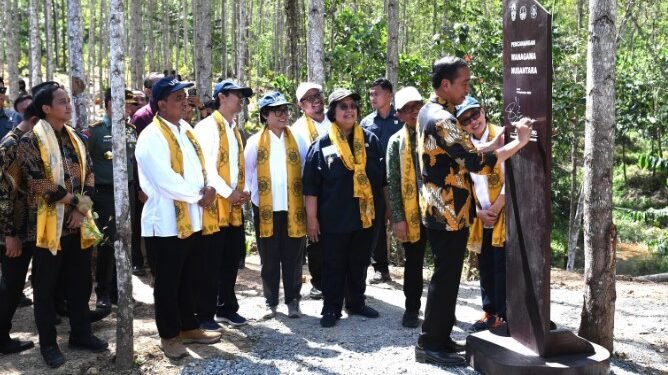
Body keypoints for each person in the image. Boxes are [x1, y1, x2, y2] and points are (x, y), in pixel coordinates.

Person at [414, 56, 533, 367]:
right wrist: (517, 144)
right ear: (445, 85)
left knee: (448, 277)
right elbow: (477, 165)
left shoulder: (434, 112)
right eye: (463, 83)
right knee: (445, 277)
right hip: (448, 212)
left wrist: (492, 143)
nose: (467, 88)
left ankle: (437, 337)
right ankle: (429, 344)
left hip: (445, 209)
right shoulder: (442, 119)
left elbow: (460, 152)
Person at [18, 82, 107, 368]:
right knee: (45, 288)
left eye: (68, 100)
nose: (68, 105)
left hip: (77, 224)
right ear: (45, 108)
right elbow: (36, 181)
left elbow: (89, 175)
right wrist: (73, 200)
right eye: (61, 101)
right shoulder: (30, 140)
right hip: (46, 228)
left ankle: (81, 333)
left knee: (81, 284)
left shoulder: (77, 138)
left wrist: (82, 209)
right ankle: (48, 345)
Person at [135, 76, 222, 359]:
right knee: (168, 283)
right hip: (165, 224)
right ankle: (169, 335)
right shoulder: (151, 136)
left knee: (187, 277)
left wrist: (208, 187)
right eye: (177, 98)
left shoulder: (185, 128)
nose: (185, 101)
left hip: (191, 218)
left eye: (185, 95)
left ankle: (188, 327)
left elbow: (200, 165)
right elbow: (165, 181)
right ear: (161, 104)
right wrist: (200, 195)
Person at [303, 88, 385, 328]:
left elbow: (382, 183)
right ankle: (331, 307)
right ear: (333, 113)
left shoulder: (371, 140)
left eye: (352, 106)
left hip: (365, 216)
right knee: (333, 263)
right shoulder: (322, 145)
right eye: (343, 107)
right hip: (334, 218)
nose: (350, 110)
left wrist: (388, 212)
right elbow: (311, 188)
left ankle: (356, 302)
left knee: (359, 261)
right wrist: (312, 219)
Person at [193, 79, 253, 330]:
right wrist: (228, 193)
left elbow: (239, 166)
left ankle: (226, 307)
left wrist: (243, 191)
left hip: (232, 207)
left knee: (230, 259)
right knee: (209, 262)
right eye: (236, 95)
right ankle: (204, 313)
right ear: (222, 97)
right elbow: (206, 167)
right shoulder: (208, 127)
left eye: (242, 95)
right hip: (214, 205)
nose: (241, 99)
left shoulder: (233, 129)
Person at [245, 92, 309, 319]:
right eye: (277, 111)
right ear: (265, 115)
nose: (283, 115)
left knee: (293, 257)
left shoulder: (298, 139)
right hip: (265, 208)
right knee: (269, 257)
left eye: (285, 110)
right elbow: (247, 172)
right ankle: (270, 300)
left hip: (293, 207)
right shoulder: (254, 142)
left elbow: (305, 168)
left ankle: (293, 300)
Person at [455, 96, 507, 332]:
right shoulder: (464, 147)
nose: (472, 121)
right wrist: (478, 211)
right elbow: (464, 184)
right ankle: (489, 312)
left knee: (502, 265)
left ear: (483, 111)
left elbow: (513, 176)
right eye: (465, 119)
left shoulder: (502, 136)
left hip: (504, 213)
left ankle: (504, 315)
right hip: (480, 215)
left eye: (474, 114)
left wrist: (496, 208)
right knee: (485, 264)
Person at [83, 88, 138, 309]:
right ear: (108, 104)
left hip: (129, 190)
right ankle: (103, 292)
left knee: (126, 239)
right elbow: (84, 162)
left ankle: (120, 289)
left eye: (130, 104)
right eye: (123, 103)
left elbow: (134, 160)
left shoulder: (130, 130)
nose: (128, 108)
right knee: (107, 242)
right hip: (105, 193)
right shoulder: (95, 132)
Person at [385, 86, 427, 328]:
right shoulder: (395, 143)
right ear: (399, 114)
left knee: (444, 264)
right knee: (414, 262)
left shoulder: (435, 133)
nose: (415, 112)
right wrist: (398, 218)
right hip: (412, 213)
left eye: (418, 106)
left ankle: (442, 310)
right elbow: (393, 183)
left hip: (439, 210)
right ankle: (412, 308)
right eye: (408, 109)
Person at [0, 101, 39, 355]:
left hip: (25, 227)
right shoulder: (11, 145)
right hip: (12, 230)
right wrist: (9, 235)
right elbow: (3, 194)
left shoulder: (27, 141)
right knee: (11, 285)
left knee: (13, 285)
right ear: (36, 120)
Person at [290, 82, 330, 300]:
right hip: (312, 191)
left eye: (318, 96)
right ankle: (318, 282)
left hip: (335, 191)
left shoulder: (334, 122)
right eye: (309, 98)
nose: (316, 101)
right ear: (300, 105)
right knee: (316, 237)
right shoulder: (297, 131)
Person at [361, 78, 403, 284]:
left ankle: (414, 265)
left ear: (389, 95)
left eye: (376, 93)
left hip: (403, 181)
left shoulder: (402, 119)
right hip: (376, 182)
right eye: (371, 94)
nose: (372, 98)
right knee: (377, 222)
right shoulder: (367, 123)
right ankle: (380, 268)